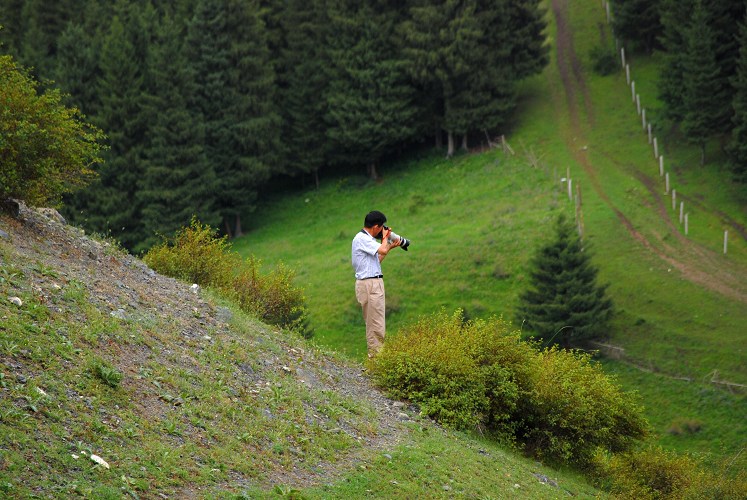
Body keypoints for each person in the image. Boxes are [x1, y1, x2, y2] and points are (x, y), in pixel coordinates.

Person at [351, 210, 400, 358]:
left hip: (369, 282)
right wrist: (386, 238)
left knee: (374, 323)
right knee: (376, 324)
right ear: (376, 226)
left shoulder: (363, 240)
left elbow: (374, 262)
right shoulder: (362, 239)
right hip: (371, 284)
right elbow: (382, 248)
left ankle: (376, 358)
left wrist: (389, 247)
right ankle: (377, 360)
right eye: (382, 227)